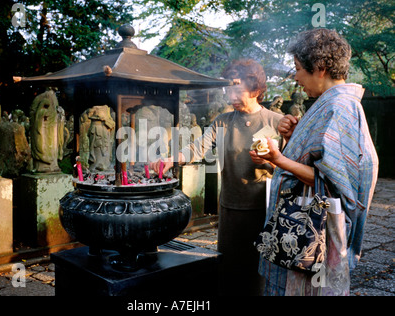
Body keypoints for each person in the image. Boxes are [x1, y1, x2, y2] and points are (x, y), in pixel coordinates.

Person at [255, 28, 378, 295]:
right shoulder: (328, 103)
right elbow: (317, 158)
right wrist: (290, 137)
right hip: (302, 224)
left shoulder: (339, 107)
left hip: (314, 230)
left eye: (298, 68)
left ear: (320, 68)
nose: (296, 78)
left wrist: (278, 159)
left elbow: (333, 182)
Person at [151, 59, 284, 296]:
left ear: (255, 89)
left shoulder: (276, 122)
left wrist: (271, 162)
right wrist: (171, 159)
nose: (229, 94)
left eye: (236, 88)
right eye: (227, 89)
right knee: (230, 267)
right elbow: (198, 148)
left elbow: (292, 166)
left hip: (263, 208)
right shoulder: (223, 121)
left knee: (258, 270)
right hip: (231, 207)